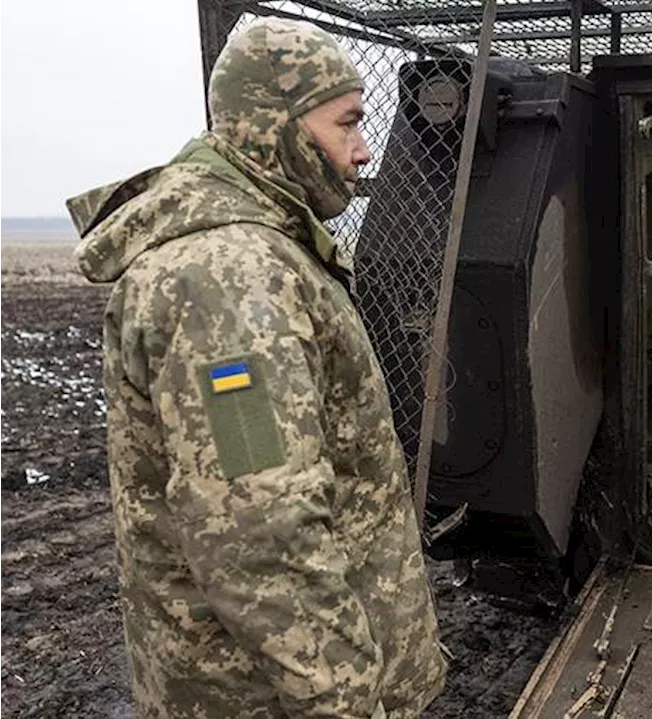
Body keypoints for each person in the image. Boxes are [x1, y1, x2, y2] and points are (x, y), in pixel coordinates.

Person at [66, 17, 447, 718]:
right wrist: (349, 701)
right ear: (276, 125)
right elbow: (261, 534)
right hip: (258, 696)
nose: (364, 151)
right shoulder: (227, 279)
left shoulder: (256, 252)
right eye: (348, 125)